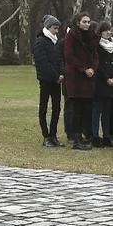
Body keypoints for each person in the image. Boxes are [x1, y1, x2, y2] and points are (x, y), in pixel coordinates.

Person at [63, 12, 99, 150]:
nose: (87, 24)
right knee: (76, 109)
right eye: (84, 22)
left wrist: (92, 68)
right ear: (78, 22)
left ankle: (88, 136)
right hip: (76, 77)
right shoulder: (71, 36)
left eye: (88, 22)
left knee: (88, 109)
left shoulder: (91, 37)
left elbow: (95, 55)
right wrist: (84, 69)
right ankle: (76, 138)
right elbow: (69, 55)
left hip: (89, 77)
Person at [32, 15, 66, 147]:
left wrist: (62, 73)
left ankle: (53, 135)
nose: (57, 31)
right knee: (44, 108)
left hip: (57, 81)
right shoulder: (40, 41)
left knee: (56, 108)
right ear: (48, 27)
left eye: (57, 28)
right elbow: (43, 62)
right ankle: (46, 136)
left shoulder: (55, 42)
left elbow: (60, 60)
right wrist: (56, 75)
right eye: (54, 28)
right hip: (46, 80)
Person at [91, 22, 113, 148]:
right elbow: (98, 64)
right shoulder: (97, 46)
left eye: (110, 30)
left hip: (111, 82)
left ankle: (107, 136)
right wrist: (107, 77)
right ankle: (95, 136)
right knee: (97, 110)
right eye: (105, 30)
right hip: (100, 81)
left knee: (107, 111)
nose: (108, 32)